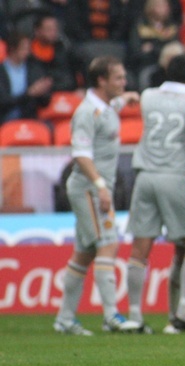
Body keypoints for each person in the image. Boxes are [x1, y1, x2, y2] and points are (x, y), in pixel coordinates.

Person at [53, 56, 140, 335]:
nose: (123, 82)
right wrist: (101, 186)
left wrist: (126, 97)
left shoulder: (104, 106)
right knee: (108, 243)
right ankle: (111, 315)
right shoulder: (86, 113)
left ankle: (65, 319)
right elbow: (80, 154)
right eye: (118, 78)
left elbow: (113, 103)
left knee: (84, 254)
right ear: (101, 80)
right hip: (89, 189)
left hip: (96, 188)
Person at [126, 53, 185, 334]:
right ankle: (183, 312)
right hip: (175, 175)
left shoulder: (148, 96)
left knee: (140, 247)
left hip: (145, 176)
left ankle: (135, 316)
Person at [0, 31, 52, 123]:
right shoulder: (1, 72)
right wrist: (29, 94)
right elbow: (3, 102)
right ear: (12, 48)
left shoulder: (33, 69)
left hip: (29, 119)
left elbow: (45, 103)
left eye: (29, 49)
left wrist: (44, 91)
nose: (28, 52)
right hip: (4, 120)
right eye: (24, 48)